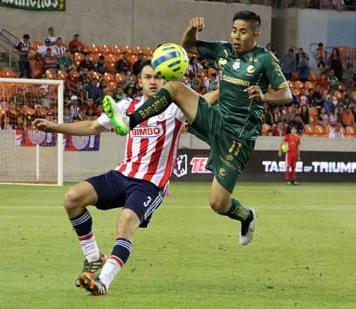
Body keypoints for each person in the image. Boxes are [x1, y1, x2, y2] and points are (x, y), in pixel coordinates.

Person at [102, 11, 292, 247]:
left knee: (218, 203)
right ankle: (129, 120)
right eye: (234, 30)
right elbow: (188, 46)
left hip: (238, 137)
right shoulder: (223, 51)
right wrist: (193, 29)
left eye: (243, 32)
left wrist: (265, 97)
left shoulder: (265, 59)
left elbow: (286, 94)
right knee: (174, 88)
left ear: (255, 35)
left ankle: (247, 216)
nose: (236, 36)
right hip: (215, 119)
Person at [33, 60, 214, 296]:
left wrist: (227, 89)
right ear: (139, 81)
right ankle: (93, 257)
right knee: (72, 198)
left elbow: (204, 101)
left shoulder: (174, 108)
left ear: (164, 81)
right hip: (122, 175)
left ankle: (103, 282)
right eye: (148, 77)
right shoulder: (127, 106)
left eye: (157, 77)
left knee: (125, 224)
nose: (153, 81)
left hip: (150, 184)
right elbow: (92, 126)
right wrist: (55, 127)